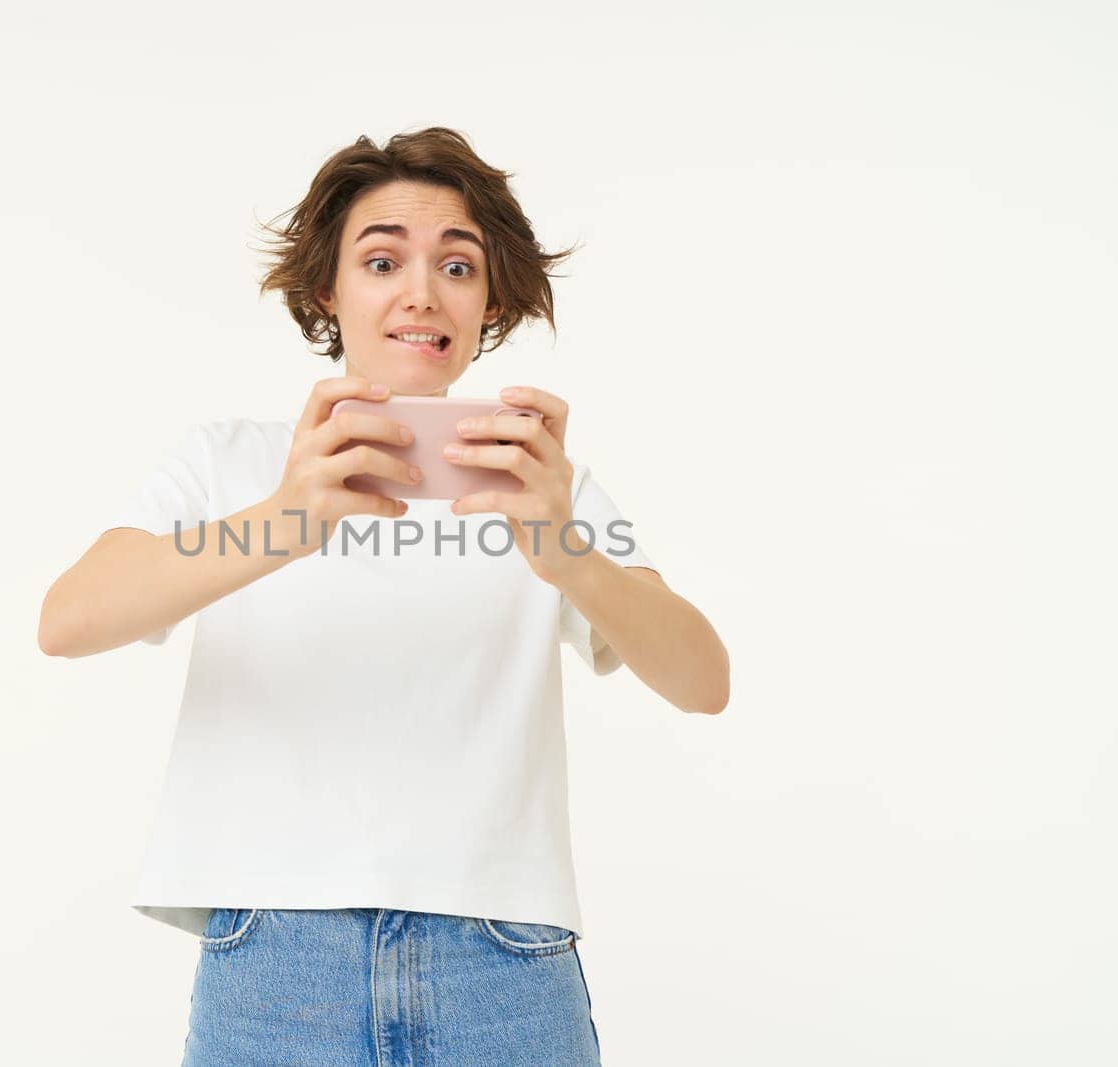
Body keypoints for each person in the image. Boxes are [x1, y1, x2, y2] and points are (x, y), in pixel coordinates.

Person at [38, 127, 730, 1066]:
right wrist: (285, 519)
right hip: (277, 962)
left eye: (458, 265)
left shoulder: (540, 484)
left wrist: (564, 550)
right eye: (381, 259)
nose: (421, 292)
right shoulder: (231, 461)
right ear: (329, 289)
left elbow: (703, 680)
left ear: (488, 302)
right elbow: (70, 620)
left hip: (504, 957)